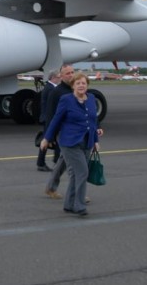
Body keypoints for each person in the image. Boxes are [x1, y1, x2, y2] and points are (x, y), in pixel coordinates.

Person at [40, 72, 100, 216]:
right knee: (82, 172)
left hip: (86, 141)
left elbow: (93, 121)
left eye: (84, 83)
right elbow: (56, 119)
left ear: (87, 86)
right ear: (73, 85)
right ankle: (78, 205)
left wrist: (96, 141)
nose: (81, 86)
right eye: (78, 83)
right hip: (69, 142)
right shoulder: (66, 99)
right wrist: (46, 138)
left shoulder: (91, 98)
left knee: (75, 175)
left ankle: (69, 204)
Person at [42, 64, 74, 198]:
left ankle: (50, 187)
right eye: (68, 73)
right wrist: (48, 136)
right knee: (76, 165)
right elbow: (51, 115)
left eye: (72, 72)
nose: (71, 75)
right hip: (63, 133)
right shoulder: (56, 92)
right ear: (61, 76)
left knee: (63, 161)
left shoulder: (76, 89)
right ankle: (77, 194)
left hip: (75, 132)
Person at [36, 70, 61, 172]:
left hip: (49, 118)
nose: (60, 79)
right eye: (59, 77)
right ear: (53, 77)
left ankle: (51, 161)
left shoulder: (49, 88)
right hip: (50, 118)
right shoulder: (51, 89)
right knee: (52, 140)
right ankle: (48, 162)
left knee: (51, 140)